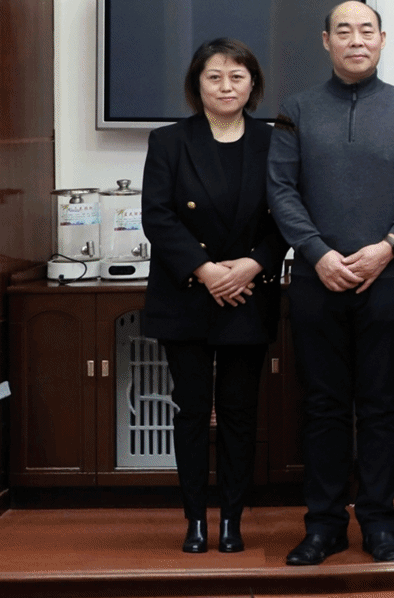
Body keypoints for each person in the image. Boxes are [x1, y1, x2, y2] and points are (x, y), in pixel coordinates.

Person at [268, 1, 394, 565]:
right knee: (322, 407)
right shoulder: (296, 109)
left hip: (387, 280)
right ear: (326, 41)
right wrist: (317, 253)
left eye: (367, 30)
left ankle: (379, 523)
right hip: (315, 281)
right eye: (344, 31)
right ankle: (323, 526)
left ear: (382, 39)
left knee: (380, 407)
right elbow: (281, 190)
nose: (356, 40)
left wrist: (387, 247)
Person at [141, 38, 287, 555]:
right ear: (197, 84)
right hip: (187, 294)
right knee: (191, 410)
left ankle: (231, 519)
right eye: (214, 77)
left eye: (237, 77)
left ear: (253, 84)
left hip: (248, 293)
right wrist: (205, 271)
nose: (226, 87)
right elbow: (157, 216)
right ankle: (194, 520)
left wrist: (253, 264)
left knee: (240, 413)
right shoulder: (168, 141)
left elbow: (288, 214)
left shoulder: (274, 141)